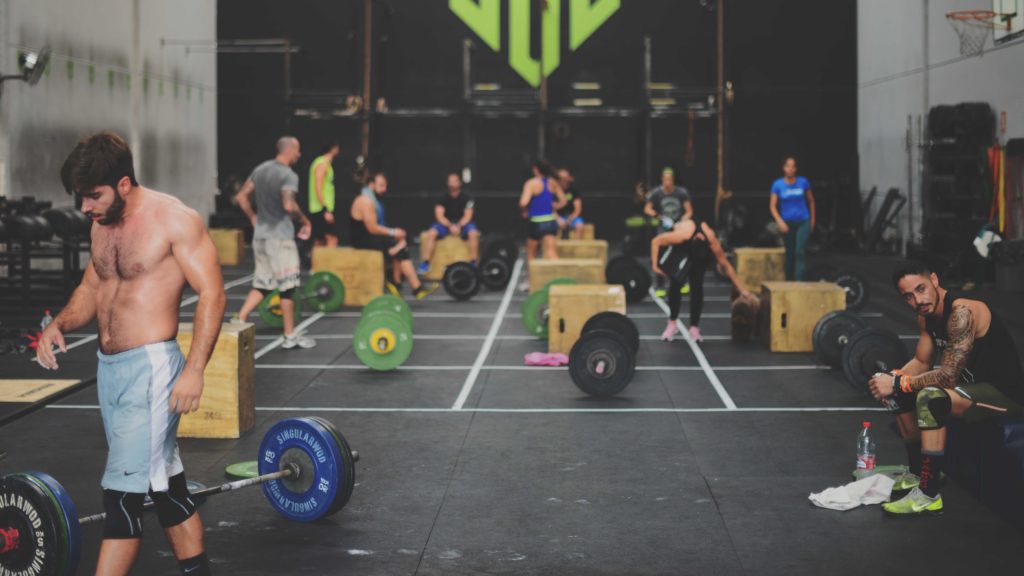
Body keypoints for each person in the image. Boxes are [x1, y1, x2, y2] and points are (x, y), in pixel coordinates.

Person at [36, 132, 225, 576]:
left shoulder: (174, 220)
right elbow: (92, 286)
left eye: (93, 196)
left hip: (154, 370)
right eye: (80, 198)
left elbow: (213, 294)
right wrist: (58, 323)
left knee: (122, 496)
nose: (85, 207)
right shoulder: (100, 222)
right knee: (164, 488)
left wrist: (194, 371)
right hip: (111, 371)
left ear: (123, 184)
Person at [867, 261, 1023, 517]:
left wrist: (898, 382)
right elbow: (921, 362)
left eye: (921, 289)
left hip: (1003, 397)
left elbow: (947, 377)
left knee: (930, 398)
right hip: (968, 391)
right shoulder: (926, 317)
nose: (918, 300)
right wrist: (892, 378)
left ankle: (928, 494)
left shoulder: (963, 312)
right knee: (899, 388)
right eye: (908, 296)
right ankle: (920, 472)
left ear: (935, 280)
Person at [234, 137, 316, 349]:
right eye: (297, 150)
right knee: (287, 287)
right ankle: (290, 335)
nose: (299, 155)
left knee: (263, 283)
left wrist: (253, 218)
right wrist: (305, 220)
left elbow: (242, 196)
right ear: (289, 150)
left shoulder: (260, 169)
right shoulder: (288, 175)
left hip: (260, 237)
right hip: (280, 239)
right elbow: (288, 205)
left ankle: (239, 319)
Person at [651, 217, 753, 342]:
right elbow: (655, 241)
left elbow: (726, 266)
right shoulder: (682, 235)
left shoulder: (711, 242)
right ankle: (672, 323)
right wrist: (655, 265)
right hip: (680, 249)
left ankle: (694, 327)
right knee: (676, 284)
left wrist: (742, 290)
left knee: (697, 287)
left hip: (699, 256)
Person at [350, 172, 436, 299]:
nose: (385, 189)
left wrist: (394, 234)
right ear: (372, 185)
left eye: (385, 185)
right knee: (399, 244)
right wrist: (393, 232)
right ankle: (410, 286)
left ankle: (398, 283)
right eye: (381, 185)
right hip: (362, 240)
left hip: (370, 237)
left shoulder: (371, 198)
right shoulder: (365, 201)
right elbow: (372, 228)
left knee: (400, 243)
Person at [418, 173, 481, 274]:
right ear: (447, 183)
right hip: (446, 224)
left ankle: (473, 263)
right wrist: (450, 226)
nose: (452, 184)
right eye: (450, 181)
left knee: (473, 233)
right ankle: (425, 263)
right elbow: (439, 216)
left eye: (454, 181)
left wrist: (459, 226)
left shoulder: (467, 197)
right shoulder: (442, 197)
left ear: (459, 183)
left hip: (462, 224)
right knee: (431, 233)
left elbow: (468, 215)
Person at [519, 160, 567, 290]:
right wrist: (555, 206)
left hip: (536, 222)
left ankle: (531, 283)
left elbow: (523, 202)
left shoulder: (531, 183)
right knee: (552, 254)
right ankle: (560, 281)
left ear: (536, 169)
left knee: (531, 255)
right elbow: (563, 201)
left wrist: (524, 209)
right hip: (551, 222)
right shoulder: (552, 183)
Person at [645, 167, 693, 296]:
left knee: (681, 255)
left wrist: (682, 220)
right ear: (662, 179)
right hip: (663, 228)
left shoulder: (681, 193)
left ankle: (683, 282)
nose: (667, 182)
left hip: (679, 228)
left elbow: (689, 211)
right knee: (660, 256)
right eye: (665, 179)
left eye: (670, 179)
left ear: (673, 180)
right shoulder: (656, 193)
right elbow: (647, 209)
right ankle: (660, 286)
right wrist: (660, 217)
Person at [769, 156, 815, 281]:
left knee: (799, 252)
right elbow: (772, 206)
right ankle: (789, 282)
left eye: (793, 166)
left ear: (795, 169)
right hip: (787, 223)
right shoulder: (778, 184)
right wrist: (780, 222)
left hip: (803, 221)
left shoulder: (803, 182)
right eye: (788, 166)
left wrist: (812, 220)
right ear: (784, 168)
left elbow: (811, 201)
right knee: (790, 254)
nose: (790, 169)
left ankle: (799, 282)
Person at [308, 140, 341, 248]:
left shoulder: (326, 164)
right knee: (331, 239)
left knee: (320, 241)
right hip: (320, 208)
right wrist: (325, 209)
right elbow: (318, 186)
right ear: (333, 148)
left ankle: (317, 264)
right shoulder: (322, 163)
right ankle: (326, 265)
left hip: (321, 208)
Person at [556, 167, 585, 240]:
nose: (564, 180)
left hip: (571, 217)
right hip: (557, 218)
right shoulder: (553, 190)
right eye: (561, 178)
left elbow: (577, 210)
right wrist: (558, 219)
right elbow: (550, 208)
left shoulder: (574, 190)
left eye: (565, 178)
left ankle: (575, 248)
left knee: (579, 225)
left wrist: (568, 221)